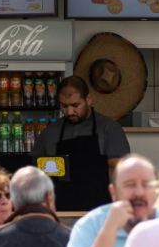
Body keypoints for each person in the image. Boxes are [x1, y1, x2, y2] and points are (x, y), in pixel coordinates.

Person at [34, 75, 130, 207]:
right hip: (60, 209)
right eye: (64, 106)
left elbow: (119, 171)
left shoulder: (110, 129)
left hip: (99, 210)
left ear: (88, 99)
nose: (69, 111)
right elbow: (36, 171)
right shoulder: (50, 132)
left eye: (75, 105)